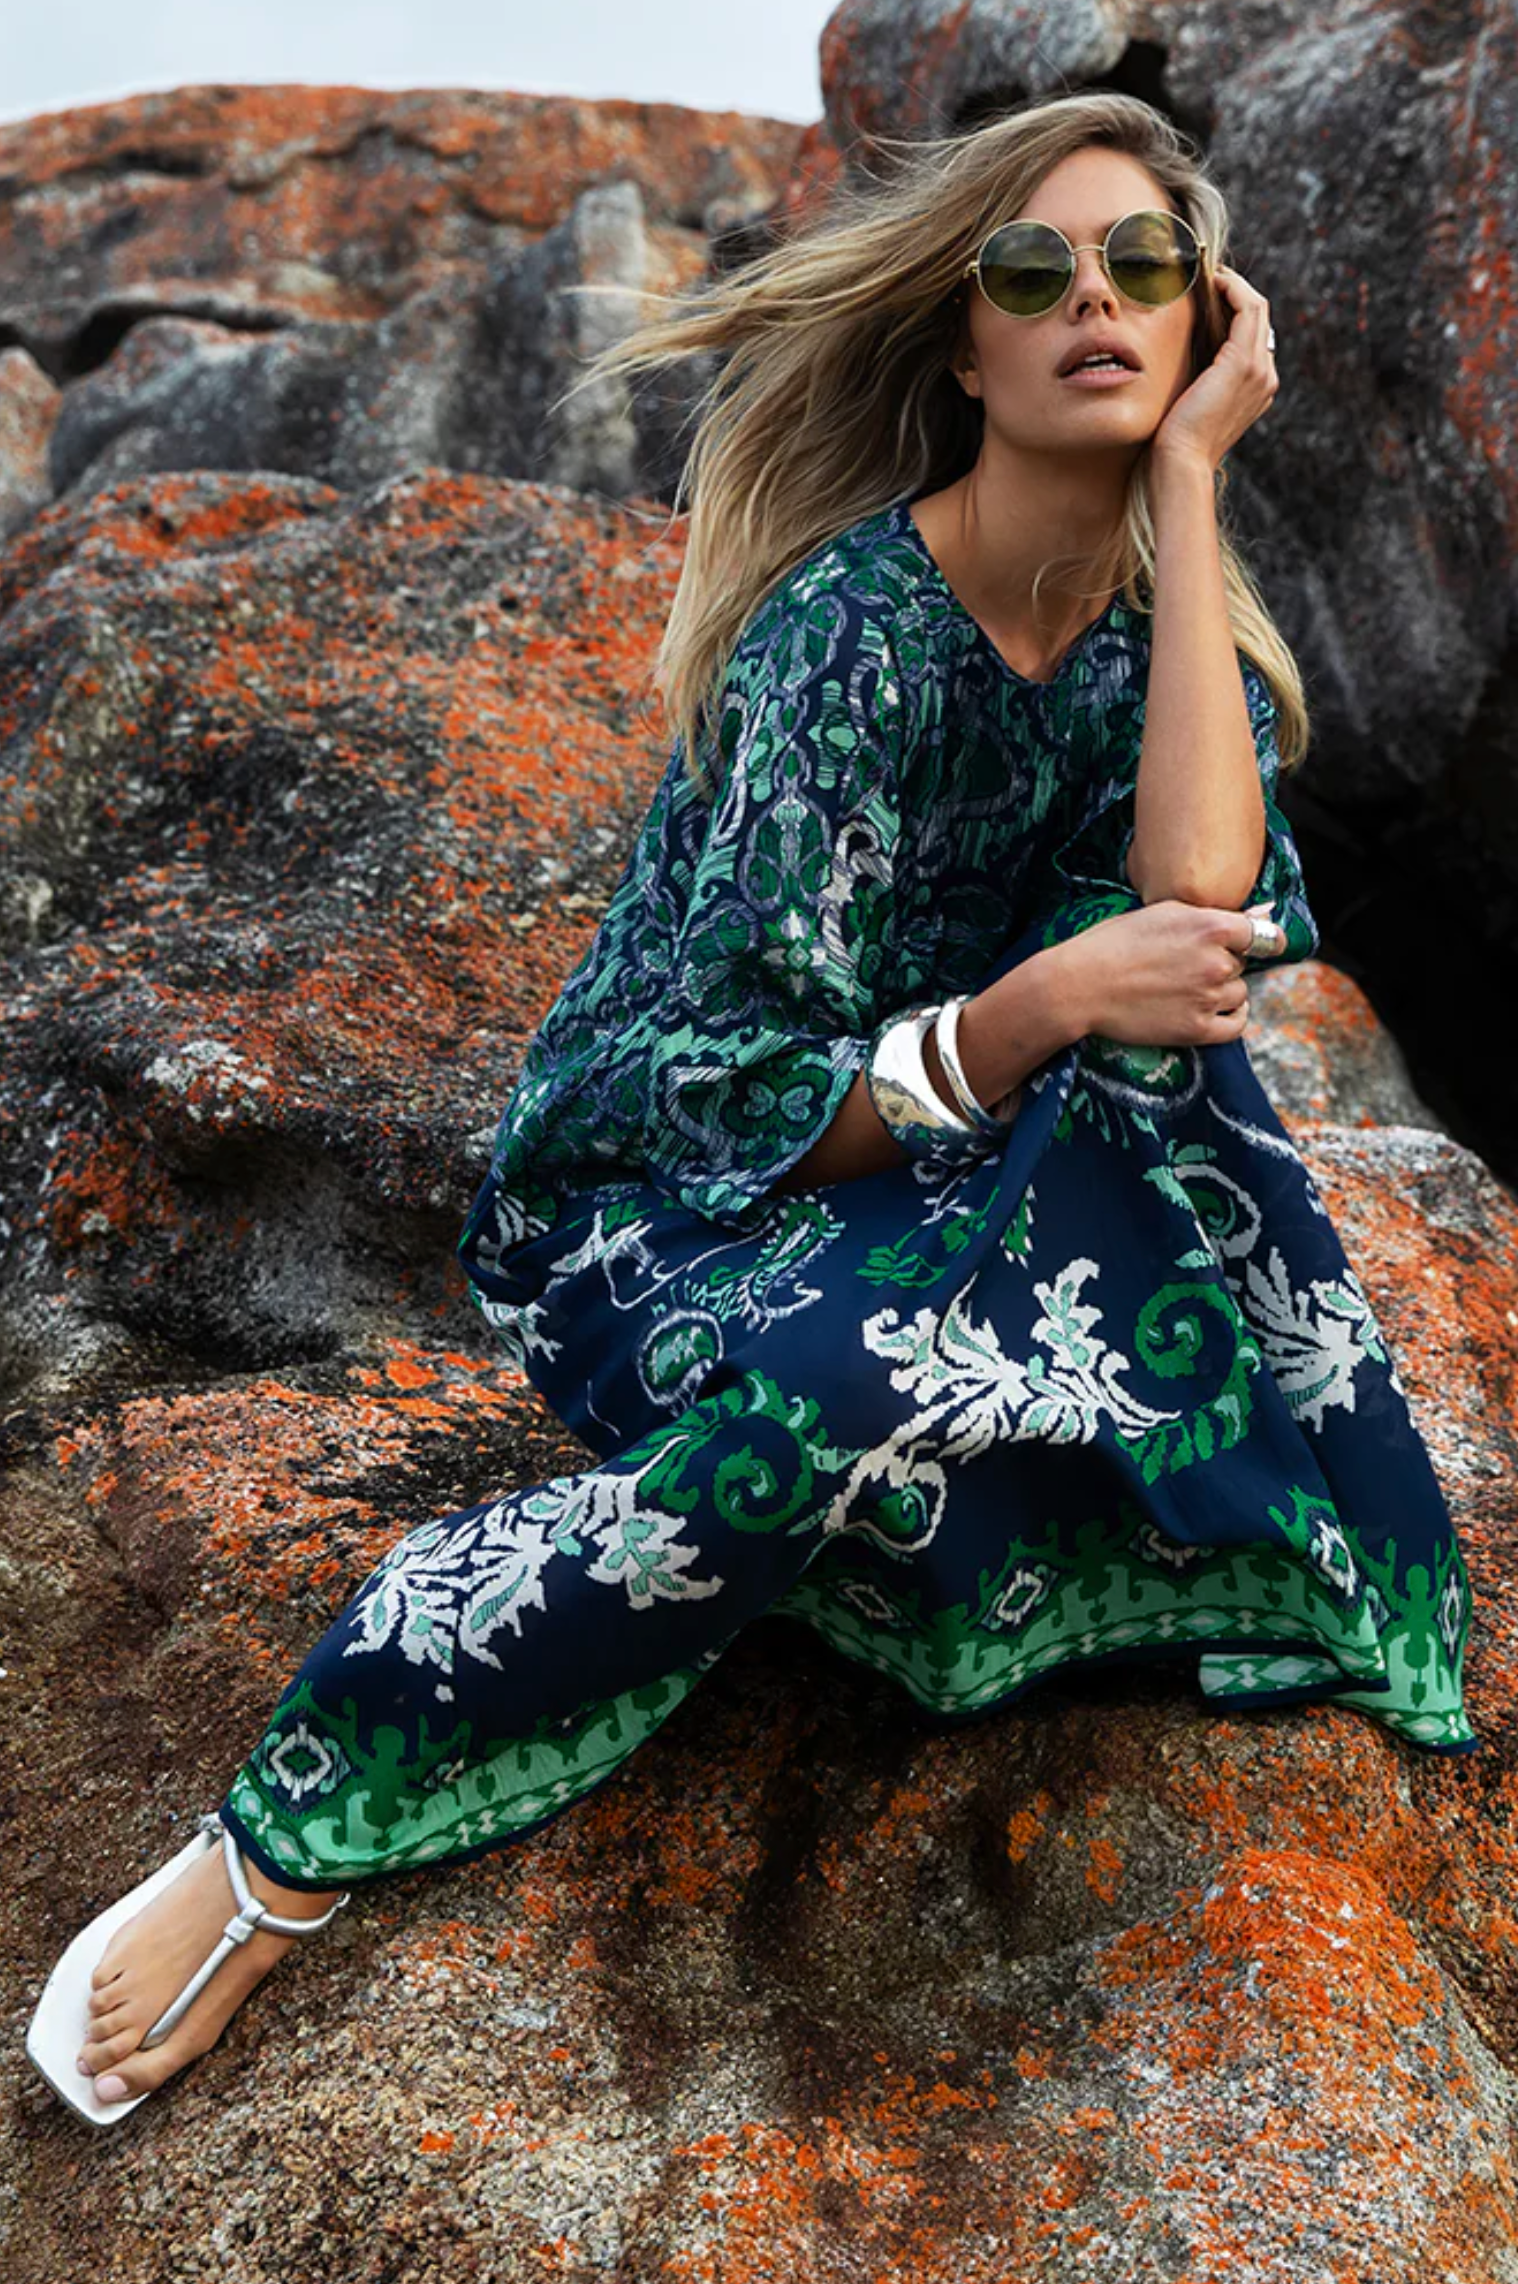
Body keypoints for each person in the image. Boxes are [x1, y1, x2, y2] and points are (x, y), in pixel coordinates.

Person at [33, 89, 1478, 2127]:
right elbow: (721, 1086)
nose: (1091, 301)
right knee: (855, 1384)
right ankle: (297, 1812)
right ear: (960, 343)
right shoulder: (841, 636)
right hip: (667, 1210)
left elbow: (1200, 903)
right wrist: (1031, 1010)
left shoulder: (1164, 646)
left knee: (1166, 1047)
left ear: (1201, 320)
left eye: (1143, 267)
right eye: (1033, 270)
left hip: (956, 1197)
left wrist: (1190, 479)